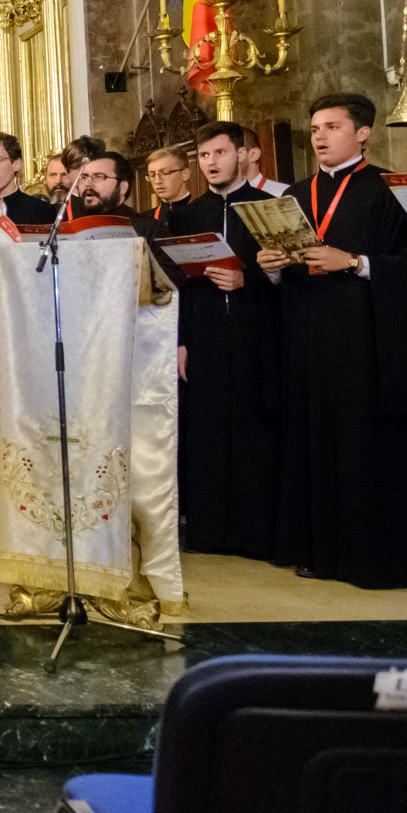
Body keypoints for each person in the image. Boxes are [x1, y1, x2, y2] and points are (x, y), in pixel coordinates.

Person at [256, 93, 407, 587]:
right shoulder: (294, 194)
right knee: (313, 440)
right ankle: (317, 550)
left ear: (362, 133)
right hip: (308, 337)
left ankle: (368, 557)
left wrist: (355, 263)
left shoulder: (390, 189)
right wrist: (271, 267)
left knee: (363, 445)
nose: (319, 136)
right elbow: (282, 273)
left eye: (332, 127)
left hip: (368, 338)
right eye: (315, 128)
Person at [172, 121, 281, 558]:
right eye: (204, 156)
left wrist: (247, 279)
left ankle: (256, 533)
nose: (211, 162)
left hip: (257, 332)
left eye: (219, 153)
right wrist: (180, 341)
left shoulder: (269, 206)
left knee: (256, 430)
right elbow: (178, 284)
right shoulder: (188, 214)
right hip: (204, 334)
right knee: (207, 431)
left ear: (242, 155)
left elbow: (292, 273)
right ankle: (208, 530)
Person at [145, 147, 198, 231]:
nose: (157, 181)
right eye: (152, 175)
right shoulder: (144, 220)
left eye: (165, 173)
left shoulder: (205, 213)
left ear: (185, 174)